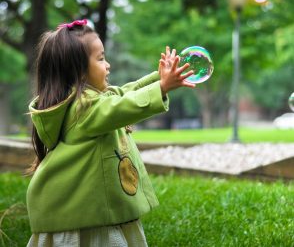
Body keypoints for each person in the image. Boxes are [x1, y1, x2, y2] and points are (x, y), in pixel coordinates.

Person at [26, 19, 195, 247]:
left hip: (94, 212)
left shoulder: (90, 101)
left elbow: (125, 92)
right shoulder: (83, 109)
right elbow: (123, 106)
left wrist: (159, 78)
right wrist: (162, 87)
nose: (108, 66)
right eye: (101, 58)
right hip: (87, 220)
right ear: (80, 72)